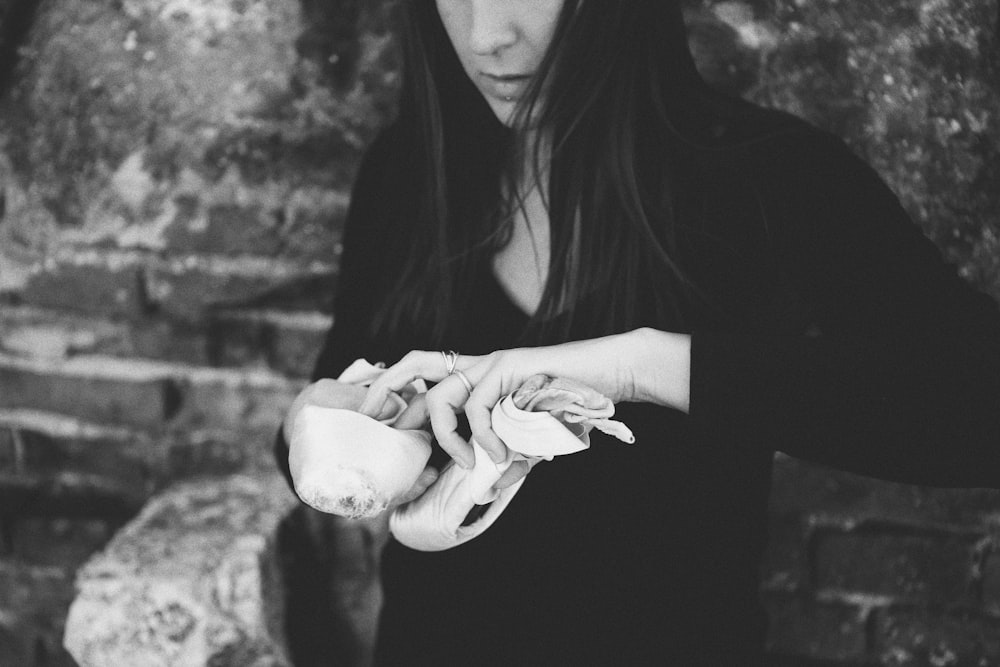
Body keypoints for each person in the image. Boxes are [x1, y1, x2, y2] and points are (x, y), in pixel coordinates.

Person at [275, 1, 1000, 664]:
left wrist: (644, 366)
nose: (485, 35)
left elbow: (977, 407)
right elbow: (342, 402)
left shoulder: (764, 177)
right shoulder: (406, 174)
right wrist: (313, 425)